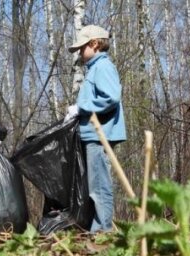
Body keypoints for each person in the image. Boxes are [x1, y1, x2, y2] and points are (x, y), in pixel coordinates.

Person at [65, 25, 127, 232]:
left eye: (81, 49)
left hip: (100, 135)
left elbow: (111, 97)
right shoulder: (96, 68)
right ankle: (98, 228)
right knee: (94, 185)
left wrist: (80, 108)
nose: (80, 54)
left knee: (99, 186)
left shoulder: (103, 67)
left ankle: (102, 232)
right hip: (93, 134)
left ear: (94, 44)